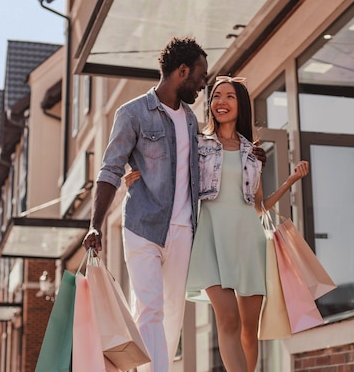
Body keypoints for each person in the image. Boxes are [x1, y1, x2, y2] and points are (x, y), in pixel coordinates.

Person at [82, 37, 265, 372]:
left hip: (185, 232)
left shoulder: (193, 122)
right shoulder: (133, 113)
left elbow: (217, 159)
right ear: (182, 72)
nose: (203, 85)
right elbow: (109, 169)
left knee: (171, 315)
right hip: (143, 226)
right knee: (150, 308)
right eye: (200, 76)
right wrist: (96, 222)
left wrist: (252, 154)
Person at [125, 76, 309, 372]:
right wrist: (136, 176)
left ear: (241, 106)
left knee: (250, 330)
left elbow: (259, 206)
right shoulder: (198, 144)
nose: (221, 102)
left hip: (248, 241)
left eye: (229, 97)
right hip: (210, 239)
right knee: (228, 319)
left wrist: (290, 180)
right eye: (216, 96)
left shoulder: (253, 151)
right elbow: (169, 171)